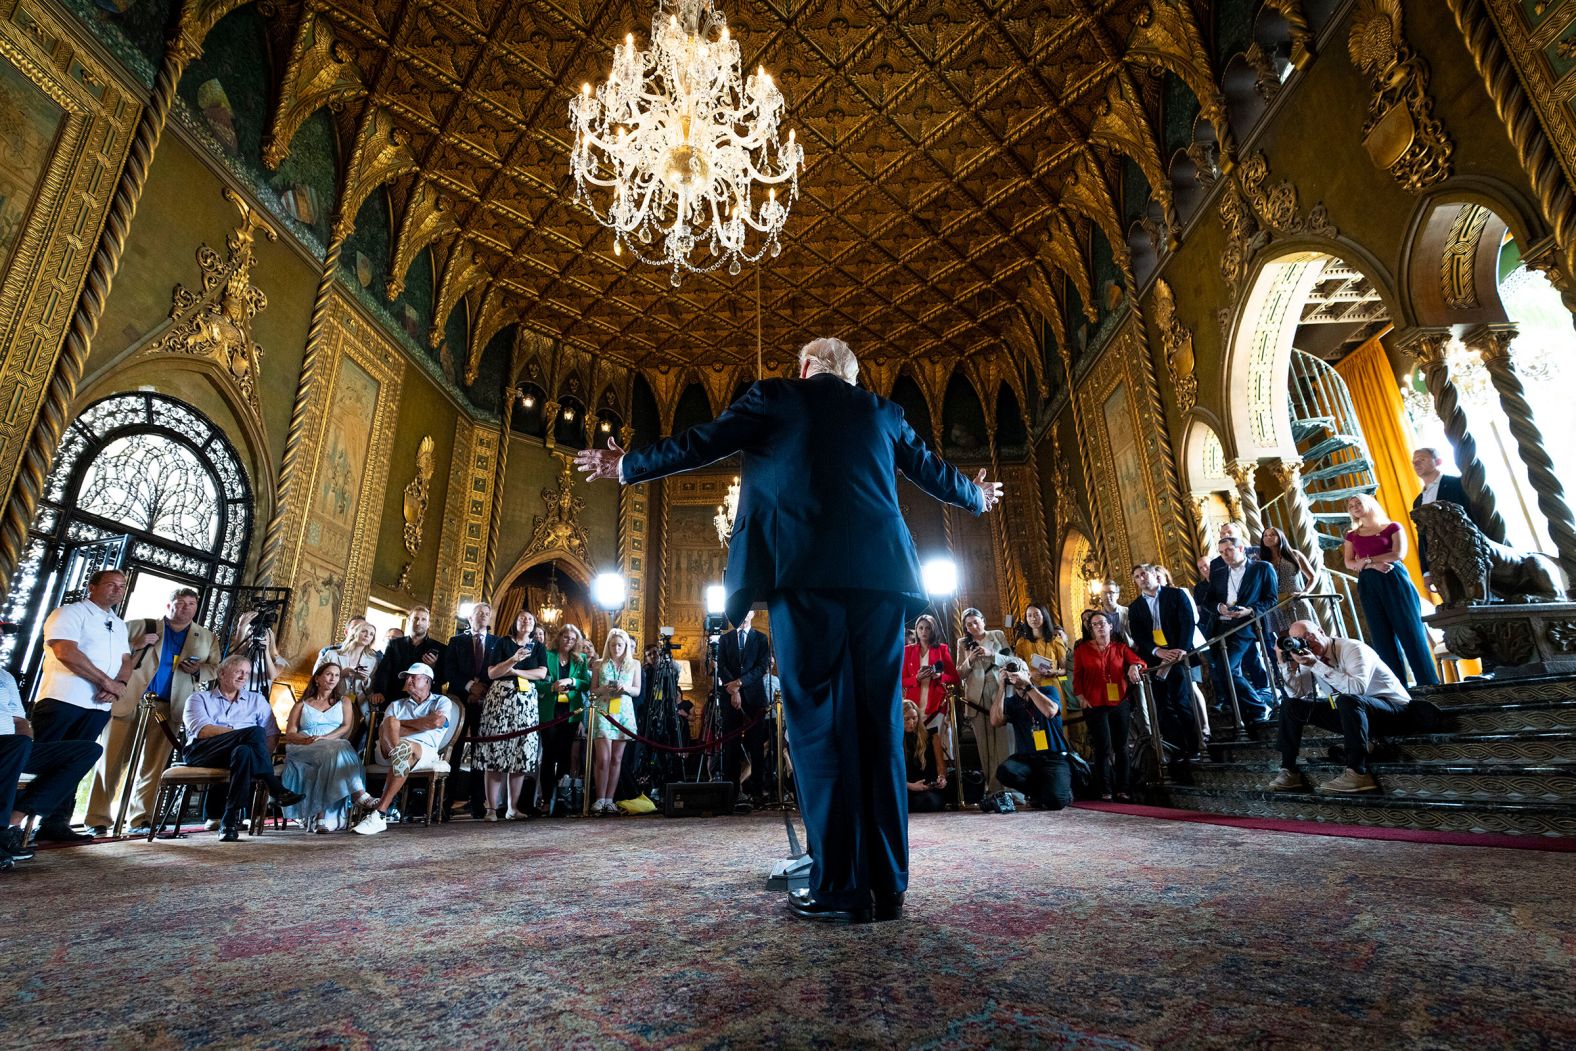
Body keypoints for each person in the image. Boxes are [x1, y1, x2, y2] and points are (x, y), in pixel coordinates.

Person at [576, 335, 998, 925]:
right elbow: (934, 473)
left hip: (803, 578)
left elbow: (702, 442)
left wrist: (626, 465)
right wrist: (977, 496)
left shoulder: (776, 398)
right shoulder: (883, 411)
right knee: (876, 728)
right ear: (850, 376)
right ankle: (887, 884)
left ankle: (840, 887)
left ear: (803, 368)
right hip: (882, 585)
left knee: (819, 729)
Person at [85, 587, 220, 837]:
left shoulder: (206, 637)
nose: (186, 608)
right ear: (169, 606)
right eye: (180, 603)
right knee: (112, 761)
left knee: (154, 765)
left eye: (191, 604)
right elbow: (109, 654)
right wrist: (136, 647)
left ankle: (141, 818)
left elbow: (215, 668)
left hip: (171, 706)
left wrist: (198, 670)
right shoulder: (140, 626)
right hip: (130, 700)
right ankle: (97, 818)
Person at [31, 568, 132, 842]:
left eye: (121, 586)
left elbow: (126, 661)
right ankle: (13, 824)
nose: (117, 590)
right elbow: (66, 651)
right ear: (92, 587)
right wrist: (106, 682)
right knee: (38, 763)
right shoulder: (69, 613)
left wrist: (118, 686)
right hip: (63, 700)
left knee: (75, 764)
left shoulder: (118, 624)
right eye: (111, 585)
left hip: (97, 707)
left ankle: (55, 823)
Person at [1266, 620, 1411, 794]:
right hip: (1355, 715)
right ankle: (1288, 770)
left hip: (1394, 711)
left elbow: (1357, 689)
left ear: (1321, 631)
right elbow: (1296, 694)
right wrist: (1283, 664)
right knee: (1290, 705)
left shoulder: (1353, 648)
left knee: (1348, 700)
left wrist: (1314, 664)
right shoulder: (1310, 655)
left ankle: (1357, 772)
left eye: (1308, 636)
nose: (1306, 643)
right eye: (1298, 640)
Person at [183, 655, 304, 841]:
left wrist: (260, 755)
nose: (243, 676)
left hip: (237, 755)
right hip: (203, 752)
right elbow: (204, 731)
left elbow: (272, 734)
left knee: (244, 752)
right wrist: (243, 735)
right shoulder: (199, 698)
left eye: (247, 673)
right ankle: (273, 785)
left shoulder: (257, 700)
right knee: (254, 732)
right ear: (222, 673)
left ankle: (229, 820)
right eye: (239, 671)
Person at [0, 667, 100, 867]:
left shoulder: (5, 676)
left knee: (88, 750)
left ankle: (13, 820)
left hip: (17, 747)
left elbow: (20, 721)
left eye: (1, 634)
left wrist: (26, 744)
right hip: (7, 747)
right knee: (17, 745)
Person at [1343, 494, 1439, 688]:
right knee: (1381, 637)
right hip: (1369, 583)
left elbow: (1398, 554)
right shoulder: (1351, 535)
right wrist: (1372, 566)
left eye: (1358, 503)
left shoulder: (1392, 527)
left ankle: (1429, 685)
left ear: (1369, 503)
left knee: (1411, 632)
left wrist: (1368, 561)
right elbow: (1349, 562)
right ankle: (1396, 689)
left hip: (1395, 579)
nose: (1354, 507)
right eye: (1351, 506)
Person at [352, 664, 455, 835]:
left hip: (424, 750)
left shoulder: (441, 701)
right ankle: (397, 755)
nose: (408, 681)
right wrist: (412, 725)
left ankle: (379, 814)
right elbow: (383, 731)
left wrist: (399, 726)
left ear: (427, 680)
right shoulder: (396, 705)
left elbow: (435, 722)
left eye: (414, 677)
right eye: (407, 677)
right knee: (392, 724)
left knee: (401, 740)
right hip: (388, 749)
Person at [281, 663, 377, 832]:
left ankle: (321, 819)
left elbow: (346, 727)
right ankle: (359, 794)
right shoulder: (302, 704)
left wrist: (325, 738)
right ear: (317, 678)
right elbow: (290, 733)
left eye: (337, 675)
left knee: (336, 749)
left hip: (332, 743)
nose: (333, 678)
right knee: (338, 749)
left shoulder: (344, 701)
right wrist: (306, 740)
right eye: (328, 674)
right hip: (305, 745)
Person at [1126, 564, 1203, 762]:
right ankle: (1176, 747)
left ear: (1153, 574)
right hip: (1155, 660)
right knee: (1162, 706)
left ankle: (1195, 747)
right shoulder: (1135, 607)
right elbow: (1139, 635)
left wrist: (1181, 650)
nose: (1141, 578)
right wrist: (1157, 651)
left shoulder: (1175, 595)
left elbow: (1187, 623)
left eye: (1144, 573)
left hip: (1178, 655)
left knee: (1181, 701)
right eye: (1137, 577)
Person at [474, 610, 545, 821]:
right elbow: (492, 673)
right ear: (514, 622)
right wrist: (513, 659)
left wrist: (515, 672)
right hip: (500, 702)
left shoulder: (538, 647)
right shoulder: (502, 643)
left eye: (530, 619)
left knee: (520, 754)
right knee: (495, 752)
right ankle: (491, 809)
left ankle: (513, 808)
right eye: (522, 618)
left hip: (526, 704)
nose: (526, 621)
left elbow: (541, 674)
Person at [1072, 614, 1146, 800]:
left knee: (1121, 747)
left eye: (1102, 623)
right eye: (1094, 625)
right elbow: (1077, 676)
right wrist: (1080, 697)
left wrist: (1134, 666)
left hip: (1119, 702)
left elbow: (1140, 662)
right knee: (1102, 747)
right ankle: (1104, 789)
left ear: (1111, 626)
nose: (1099, 627)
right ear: (1091, 630)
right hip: (1094, 703)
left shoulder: (1120, 648)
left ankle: (1123, 789)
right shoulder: (1082, 650)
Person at [1205, 535, 1277, 721]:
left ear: (1241, 548)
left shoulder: (1262, 568)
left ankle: (1259, 707)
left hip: (1245, 625)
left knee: (1227, 668)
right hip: (1221, 626)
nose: (1225, 555)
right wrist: (1219, 607)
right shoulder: (1219, 572)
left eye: (1229, 550)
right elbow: (1208, 600)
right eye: (1221, 552)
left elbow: (1271, 599)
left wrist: (1250, 611)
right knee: (1223, 671)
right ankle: (1247, 711)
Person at [439, 602, 501, 818]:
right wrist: (469, 687)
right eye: (479, 613)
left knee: (480, 754)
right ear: (470, 617)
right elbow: (449, 670)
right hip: (460, 701)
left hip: (486, 703)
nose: (483, 616)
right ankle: (445, 804)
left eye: (487, 614)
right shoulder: (457, 641)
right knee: (454, 752)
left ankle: (477, 804)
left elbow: (499, 671)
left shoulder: (497, 642)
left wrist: (482, 690)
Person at [994, 652, 1076, 810]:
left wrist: (1028, 685)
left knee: (1056, 802)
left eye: (1021, 670)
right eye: (1012, 671)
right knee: (1004, 771)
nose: (1016, 674)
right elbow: (996, 721)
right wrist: (1001, 687)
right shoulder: (1011, 702)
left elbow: (1050, 711)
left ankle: (1057, 791)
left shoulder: (1048, 691)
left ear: (1028, 674)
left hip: (1054, 757)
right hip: (1027, 759)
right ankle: (1038, 793)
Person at [716, 610, 771, 810]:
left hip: (754, 698)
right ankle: (731, 791)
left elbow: (761, 667)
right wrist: (732, 690)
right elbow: (721, 666)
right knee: (730, 746)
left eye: (746, 611)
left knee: (756, 747)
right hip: (730, 697)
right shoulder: (725, 639)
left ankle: (757, 792)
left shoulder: (761, 638)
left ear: (752, 614)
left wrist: (739, 683)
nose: (742, 615)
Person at [1411, 447, 1485, 592]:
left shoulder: (1457, 484)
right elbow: (1423, 536)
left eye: (1422, 459)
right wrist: (1426, 571)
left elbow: (1473, 516)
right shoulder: (1418, 501)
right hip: (1440, 564)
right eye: (1414, 462)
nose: (1416, 464)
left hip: (1468, 554)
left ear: (1438, 461)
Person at [955, 608, 1013, 795]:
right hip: (976, 698)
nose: (973, 626)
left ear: (983, 620)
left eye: (976, 621)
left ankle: (1010, 789)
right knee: (985, 746)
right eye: (969, 624)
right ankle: (993, 790)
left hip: (999, 692)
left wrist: (991, 654)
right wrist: (970, 659)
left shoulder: (997, 635)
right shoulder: (962, 643)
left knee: (1004, 742)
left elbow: (1012, 661)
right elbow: (960, 673)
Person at [537, 622, 591, 815]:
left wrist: (572, 681)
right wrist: (552, 687)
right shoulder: (547, 655)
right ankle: (546, 799)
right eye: (566, 637)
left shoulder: (581, 659)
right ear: (558, 638)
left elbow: (586, 685)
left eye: (573, 639)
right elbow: (537, 684)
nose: (569, 641)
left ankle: (561, 797)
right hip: (550, 712)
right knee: (549, 756)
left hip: (571, 714)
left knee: (566, 756)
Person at [589, 627, 642, 815]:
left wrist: (625, 687)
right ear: (608, 646)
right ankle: (599, 798)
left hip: (624, 712)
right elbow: (592, 691)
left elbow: (637, 690)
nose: (616, 648)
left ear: (626, 645)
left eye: (620, 645)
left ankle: (610, 799)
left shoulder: (634, 664)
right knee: (603, 758)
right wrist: (603, 688)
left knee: (616, 759)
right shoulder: (598, 664)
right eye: (613, 645)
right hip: (604, 711)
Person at [901, 614, 955, 781]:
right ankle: (916, 778)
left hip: (936, 704)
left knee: (937, 743)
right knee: (915, 742)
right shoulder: (907, 650)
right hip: (914, 707)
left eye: (928, 628)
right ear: (916, 630)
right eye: (921, 628)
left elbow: (954, 677)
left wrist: (939, 676)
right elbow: (901, 680)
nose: (924, 631)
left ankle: (940, 779)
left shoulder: (942, 649)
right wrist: (915, 679)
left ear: (933, 630)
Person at [370, 605, 447, 709]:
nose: (418, 622)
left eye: (423, 619)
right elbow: (384, 671)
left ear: (428, 624)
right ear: (409, 621)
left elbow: (444, 678)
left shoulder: (440, 648)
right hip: (394, 697)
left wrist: (432, 667)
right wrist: (379, 691)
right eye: (415, 618)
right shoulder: (394, 644)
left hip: (424, 703)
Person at [314, 618, 381, 726]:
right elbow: (316, 679)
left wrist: (365, 680)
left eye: (371, 634)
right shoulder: (332, 654)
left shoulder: (372, 660)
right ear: (355, 633)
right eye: (364, 631)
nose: (367, 635)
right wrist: (341, 674)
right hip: (331, 703)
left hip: (359, 707)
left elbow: (372, 688)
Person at [1258, 527, 1318, 636]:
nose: (1268, 537)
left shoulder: (1294, 555)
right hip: (1276, 606)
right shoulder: (1261, 561)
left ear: (1280, 537)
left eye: (1272, 534)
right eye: (1265, 535)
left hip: (1296, 601)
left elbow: (1312, 577)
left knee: (1309, 634)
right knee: (1287, 642)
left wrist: (1305, 592)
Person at [901, 700, 945, 814]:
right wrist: (911, 786)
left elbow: (940, 766)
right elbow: (890, 773)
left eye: (914, 718)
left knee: (929, 800)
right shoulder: (894, 740)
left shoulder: (932, 737)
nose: (912, 722)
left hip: (928, 789)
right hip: (905, 789)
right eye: (907, 719)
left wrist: (942, 778)